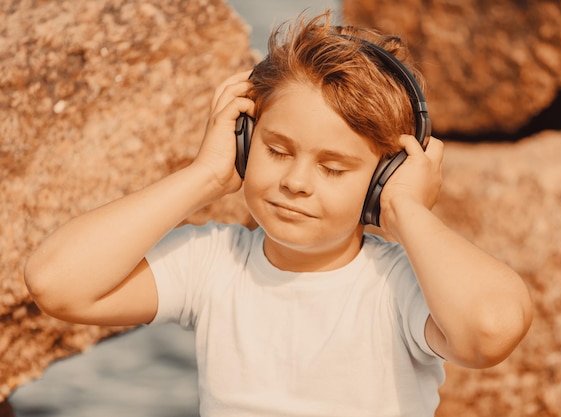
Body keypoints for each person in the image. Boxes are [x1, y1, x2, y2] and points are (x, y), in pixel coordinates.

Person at [24, 10, 533, 417]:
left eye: (333, 169)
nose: (294, 182)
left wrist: (407, 210)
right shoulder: (214, 265)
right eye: (278, 150)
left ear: (383, 178)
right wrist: (205, 176)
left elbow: (490, 330)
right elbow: (56, 282)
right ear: (245, 142)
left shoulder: (397, 286)